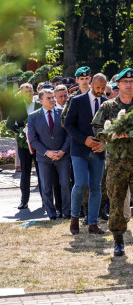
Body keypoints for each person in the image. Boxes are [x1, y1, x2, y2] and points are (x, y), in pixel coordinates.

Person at [92, 67, 133, 258]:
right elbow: (96, 128)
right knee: (117, 203)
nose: (129, 85)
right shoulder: (107, 107)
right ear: (118, 84)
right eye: (125, 82)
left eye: (132, 82)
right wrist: (112, 134)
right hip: (116, 165)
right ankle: (118, 242)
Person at [64, 73, 108, 236]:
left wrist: (105, 143)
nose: (100, 91)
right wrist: (84, 140)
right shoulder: (77, 101)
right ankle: (74, 218)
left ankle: (93, 223)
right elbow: (68, 124)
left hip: (98, 151)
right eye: (98, 88)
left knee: (96, 186)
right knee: (81, 184)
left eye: (103, 88)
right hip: (80, 150)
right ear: (91, 84)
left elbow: (112, 128)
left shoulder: (106, 103)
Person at [27, 88, 71, 220]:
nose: (52, 100)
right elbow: (33, 139)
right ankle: (51, 214)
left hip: (62, 156)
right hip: (44, 158)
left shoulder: (62, 112)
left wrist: (63, 151)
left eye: (53, 97)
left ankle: (66, 212)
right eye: (49, 98)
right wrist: (47, 152)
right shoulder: (33, 116)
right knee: (46, 186)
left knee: (65, 183)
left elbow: (68, 134)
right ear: (40, 101)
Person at [6, 83, 42, 210]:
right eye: (25, 92)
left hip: (40, 144)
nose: (28, 93)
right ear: (21, 93)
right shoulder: (17, 107)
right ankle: (24, 201)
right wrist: (21, 131)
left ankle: (46, 201)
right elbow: (8, 124)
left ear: (33, 92)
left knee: (41, 172)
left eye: (30, 91)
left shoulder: (40, 104)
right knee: (25, 173)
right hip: (24, 145)